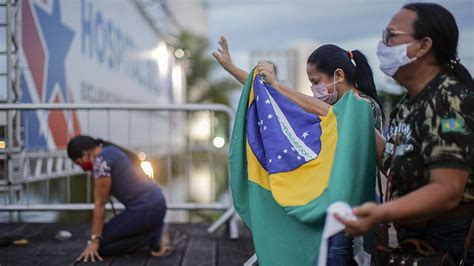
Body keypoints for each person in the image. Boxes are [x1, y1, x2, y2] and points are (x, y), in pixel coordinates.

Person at [214, 37, 383, 265]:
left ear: (339, 76)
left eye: (316, 81)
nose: (315, 90)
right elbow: (275, 97)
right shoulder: (334, 109)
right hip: (332, 198)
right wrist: (235, 70)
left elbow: (326, 112)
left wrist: (277, 84)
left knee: (339, 258)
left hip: (354, 204)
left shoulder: (363, 106)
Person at [336, 3, 474, 264]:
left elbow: (447, 190)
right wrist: (355, 118)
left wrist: (379, 213)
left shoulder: (448, 100)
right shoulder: (409, 105)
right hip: (418, 240)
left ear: (423, 46)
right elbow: (393, 163)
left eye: (390, 35)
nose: (382, 44)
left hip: (452, 242)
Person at [67, 135, 170, 262]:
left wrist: (94, 242)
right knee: (107, 236)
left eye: (79, 163)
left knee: (101, 247)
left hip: (144, 210)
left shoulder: (101, 163)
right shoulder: (111, 150)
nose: (82, 167)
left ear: (85, 154)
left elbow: (100, 204)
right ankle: (154, 230)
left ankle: (150, 236)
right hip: (158, 202)